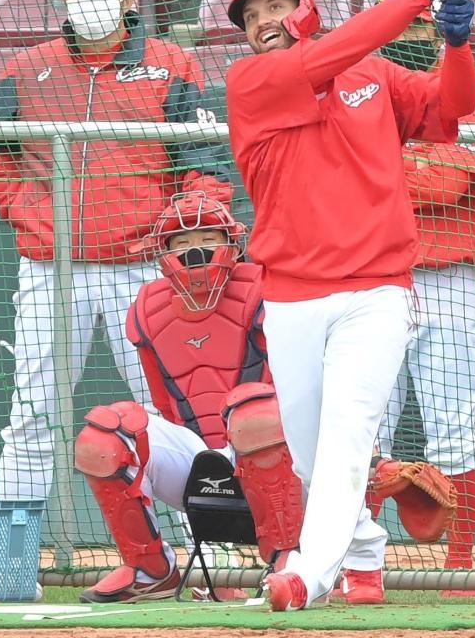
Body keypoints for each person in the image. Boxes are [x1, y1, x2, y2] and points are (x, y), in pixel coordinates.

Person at [224, 0, 475, 610]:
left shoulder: (372, 73)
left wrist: (456, 45)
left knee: (347, 432)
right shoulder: (251, 80)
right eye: (250, 17)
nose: (262, 24)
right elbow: (341, 49)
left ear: (307, 8)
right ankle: (365, 552)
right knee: (313, 458)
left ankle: (306, 576)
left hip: (377, 289)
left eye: (276, 7)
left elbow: (450, 110)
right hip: (290, 293)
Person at [0, 0, 230, 501]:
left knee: (169, 410)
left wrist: (177, 231)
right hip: (51, 267)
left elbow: (206, 166)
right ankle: (9, 558)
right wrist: (28, 212)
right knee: (33, 412)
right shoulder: (27, 67)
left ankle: (204, 549)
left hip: (142, 268)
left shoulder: (171, 63)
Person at [75, 193, 304, 603]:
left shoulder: (268, 287)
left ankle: (289, 559)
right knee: (105, 436)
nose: (195, 250)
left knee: (254, 411)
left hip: (283, 457)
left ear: (232, 241)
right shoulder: (147, 306)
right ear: (163, 252)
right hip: (201, 459)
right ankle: (150, 568)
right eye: (181, 242)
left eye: (207, 237)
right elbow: (164, 405)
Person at [373, 0, 475, 596]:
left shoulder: (468, 99)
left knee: (453, 425)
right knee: (367, 424)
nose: (411, 34)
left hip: (449, 276)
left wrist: (397, 169)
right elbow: (352, 186)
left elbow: (452, 184)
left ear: (438, 32)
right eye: (403, 24)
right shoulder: (363, 94)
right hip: (373, 279)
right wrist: (415, 165)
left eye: (421, 25)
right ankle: (360, 560)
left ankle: (458, 568)